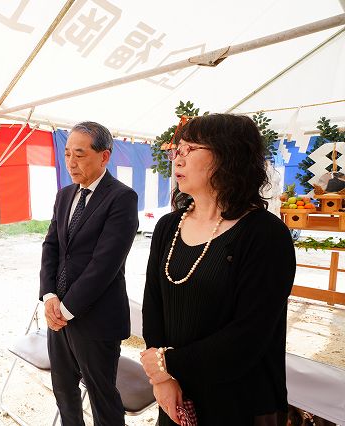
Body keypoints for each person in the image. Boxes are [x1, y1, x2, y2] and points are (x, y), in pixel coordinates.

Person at [141, 113, 296, 425]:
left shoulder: (264, 234)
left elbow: (248, 336)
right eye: (176, 150)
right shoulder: (169, 225)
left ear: (228, 156)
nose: (177, 160)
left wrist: (166, 364)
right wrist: (162, 378)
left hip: (239, 402)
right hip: (176, 393)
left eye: (188, 150)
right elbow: (153, 303)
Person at [39, 121, 139, 425]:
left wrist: (66, 310)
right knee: (64, 392)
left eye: (80, 155)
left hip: (96, 319)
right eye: (67, 153)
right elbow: (52, 246)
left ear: (104, 156)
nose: (71, 162)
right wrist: (50, 296)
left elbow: (105, 264)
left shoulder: (121, 198)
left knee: (102, 398)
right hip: (58, 314)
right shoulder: (65, 195)